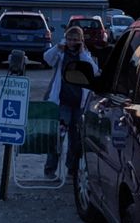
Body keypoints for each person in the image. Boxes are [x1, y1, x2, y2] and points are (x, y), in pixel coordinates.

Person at [42, 25, 99, 180]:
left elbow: (94, 71)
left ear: (81, 41)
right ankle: (50, 170)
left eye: (75, 40)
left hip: (79, 104)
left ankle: (71, 170)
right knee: (58, 137)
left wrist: (82, 54)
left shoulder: (85, 55)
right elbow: (47, 58)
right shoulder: (61, 55)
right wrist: (58, 47)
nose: (72, 42)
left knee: (76, 139)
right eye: (69, 39)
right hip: (63, 102)